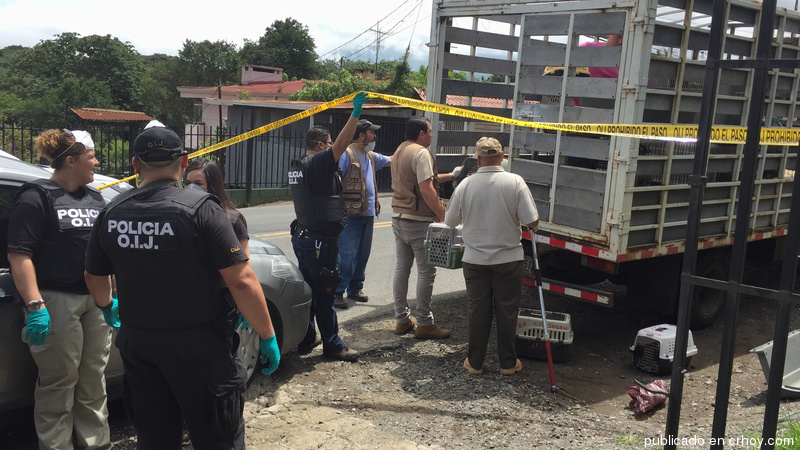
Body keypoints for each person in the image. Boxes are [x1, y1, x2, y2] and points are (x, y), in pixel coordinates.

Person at [84, 124, 280, 449]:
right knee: (218, 437)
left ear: (135, 165)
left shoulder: (112, 212)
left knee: (155, 436)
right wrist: (267, 334)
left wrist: (107, 307)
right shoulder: (202, 210)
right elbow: (242, 280)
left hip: (140, 345)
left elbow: (94, 276)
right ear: (184, 161)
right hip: (199, 348)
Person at [8, 129, 112, 449]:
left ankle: (96, 444)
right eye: (91, 156)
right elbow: (19, 254)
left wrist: (111, 299)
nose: (97, 161)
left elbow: (104, 255)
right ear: (71, 160)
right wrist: (35, 305)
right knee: (59, 383)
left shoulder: (95, 199)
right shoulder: (36, 197)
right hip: (55, 301)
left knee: (94, 380)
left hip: (94, 302)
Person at [444, 137, 539, 376]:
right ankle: (508, 363)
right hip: (508, 259)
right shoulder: (515, 181)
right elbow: (532, 220)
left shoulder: (466, 184)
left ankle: (474, 363)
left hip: (475, 260)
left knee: (478, 310)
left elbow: (450, 221)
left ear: (478, 159)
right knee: (507, 310)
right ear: (501, 157)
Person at [288, 92, 369, 361]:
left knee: (310, 289)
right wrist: (355, 113)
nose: (337, 148)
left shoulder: (299, 165)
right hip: (319, 242)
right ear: (322, 145)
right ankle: (333, 344)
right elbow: (344, 141)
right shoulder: (320, 162)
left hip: (304, 236)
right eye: (332, 144)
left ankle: (307, 337)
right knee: (324, 291)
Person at [390, 115, 460, 340]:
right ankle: (424, 323)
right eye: (430, 132)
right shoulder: (421, 153)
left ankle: (401, 319)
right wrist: (443, 216)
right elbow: (426, 188)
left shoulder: (401, 150)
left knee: (402, 269)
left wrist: (451, 175)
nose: (431, 135)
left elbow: (419, 179)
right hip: (418, 220)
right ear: (421, 133)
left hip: (399, 217)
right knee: (427, 271)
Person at [333, 119, 391, 309]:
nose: (374, 136)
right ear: (361, 135)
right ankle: (337, 292)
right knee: (347, 254)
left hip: (367, 213)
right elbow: (334, 177)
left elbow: (392, 160)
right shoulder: (347, 154)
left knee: (362, 254)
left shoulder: (371, 156)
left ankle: (355, 288)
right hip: (350, 213)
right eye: (371, 133)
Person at [185, 157, 249, 255]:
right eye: (188, 183)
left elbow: (244, 265)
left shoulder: (233, 219)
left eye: (198, 183)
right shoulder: (183, 216)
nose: (191, 188)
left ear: (213, 186)